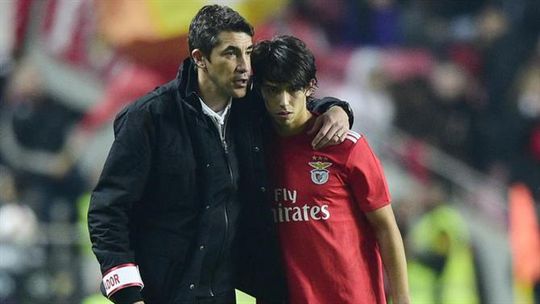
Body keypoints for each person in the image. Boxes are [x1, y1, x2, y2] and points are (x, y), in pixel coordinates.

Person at [87, 5, 353, 304]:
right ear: (200, 58)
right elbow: (107, 211)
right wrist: (127, 294)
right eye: (231, 53)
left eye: (248, 52)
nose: (244, 66)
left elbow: (294, 105)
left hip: (221, 295)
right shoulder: (149, 118)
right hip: (160, 294)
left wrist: (335, 108)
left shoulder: (251, 111)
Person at [251, 35, 410, 304]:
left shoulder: (346, 146)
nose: (284, 102)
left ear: (310, 86)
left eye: (293, 89)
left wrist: (402, 298)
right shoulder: (253, 150)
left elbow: (385, 226)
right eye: (273, 90)